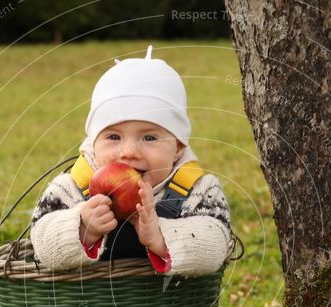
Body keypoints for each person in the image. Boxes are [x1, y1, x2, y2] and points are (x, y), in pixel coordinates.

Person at [30, 45, 232, 277]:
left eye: (149, 137)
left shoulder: (198, 190)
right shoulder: (72, 188)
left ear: (177, 147)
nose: (128, 152)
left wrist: (159, 237)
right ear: (93, 143)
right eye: (113, 137)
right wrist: (83, 227)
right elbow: (41, 246)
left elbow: (216, 247)